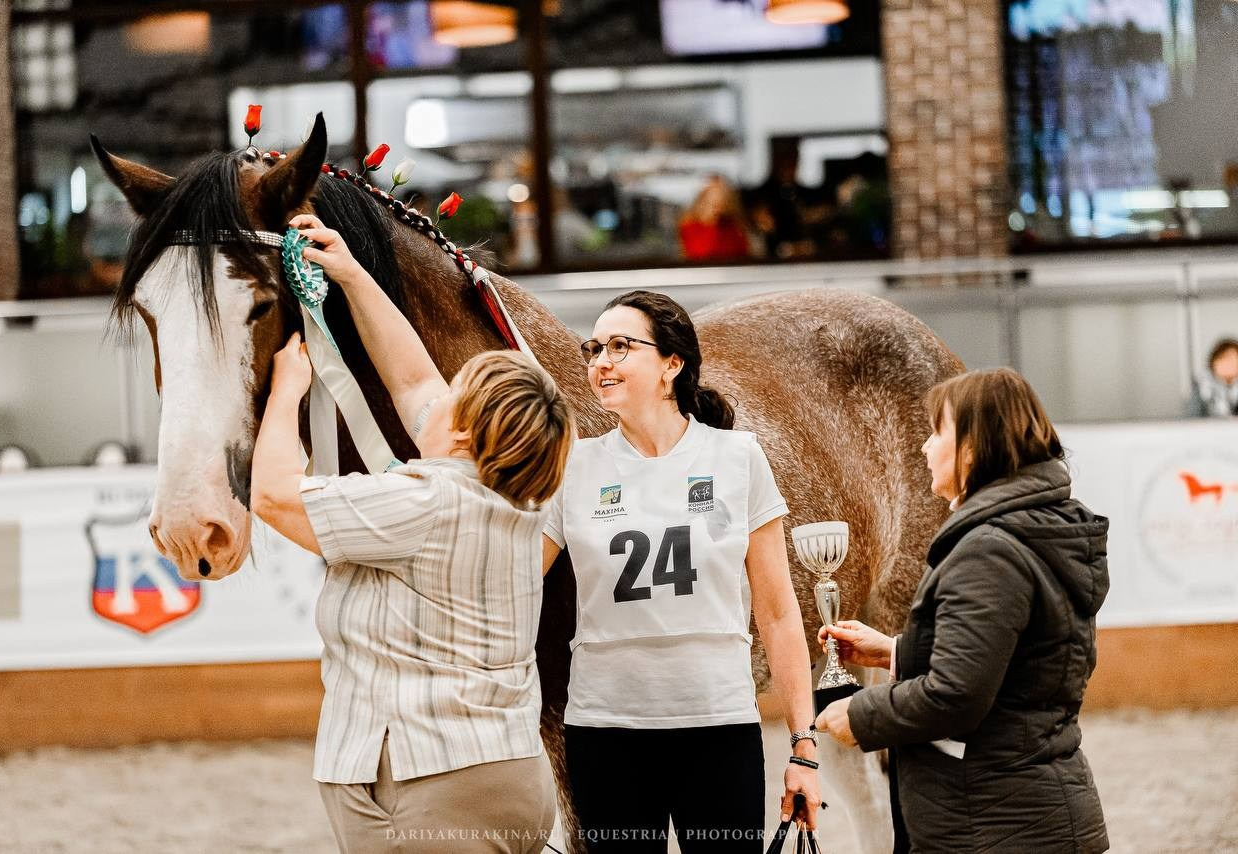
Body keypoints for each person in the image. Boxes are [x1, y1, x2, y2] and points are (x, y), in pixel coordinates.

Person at [251, 214, 574, 854]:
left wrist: (286, 392)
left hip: (425, 784)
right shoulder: (528, 496)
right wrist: (349, 271)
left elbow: (273, 496)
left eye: (453, 395)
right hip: (511, 772)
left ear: (462, 431)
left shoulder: (422, 501)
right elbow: (412, 380)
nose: (437, 391)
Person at [541, 290, 821, 853]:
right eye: (594, 348)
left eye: (621, 346)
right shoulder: (575, 464)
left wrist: (802, 747)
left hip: (719, 727)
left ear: (672, 364)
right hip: (604, 732)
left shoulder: (737, 456)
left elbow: (778, 613)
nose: (601, 361)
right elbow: (513, 583)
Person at [813, 368, 1110, 854]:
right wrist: (895, 654)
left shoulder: (989, 551)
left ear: (973, 447)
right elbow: (1012, 663)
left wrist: (861, 714)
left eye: (937, 433)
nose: (925, 447)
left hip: (997, 825)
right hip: (1018, 814)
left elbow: (957, 697)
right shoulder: (1023, 532)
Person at [678, 175, 753, 262]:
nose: (718, 199)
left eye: (721, 194)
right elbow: (698, 253)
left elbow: (742, 253)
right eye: (713, 196)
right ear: (703, 198)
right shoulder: (690, 226)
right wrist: (710, 222)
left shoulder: (735, 227)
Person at [1190, 337, 1238, 417]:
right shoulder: (1202, 386)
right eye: (1226, 359)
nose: (1230, 365)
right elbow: (1192, 416)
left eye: (1235, 360)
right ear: (1214, 361)